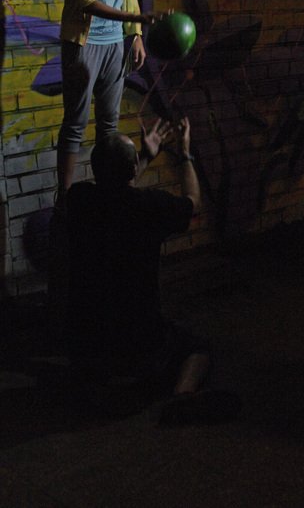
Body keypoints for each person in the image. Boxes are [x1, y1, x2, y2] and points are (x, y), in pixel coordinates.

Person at [65, 116, 240, 423]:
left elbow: (114, 192)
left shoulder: (79, 200)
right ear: (133, 168)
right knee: (197, 348)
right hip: (139, 339)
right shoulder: (151, 206)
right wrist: (184, 153)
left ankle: (99, 381)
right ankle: (182, 395)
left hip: (87, 336)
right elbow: (193, 202)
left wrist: (143, 157)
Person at [54, 0, 153, 207]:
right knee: (76, 122)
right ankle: (65, 197)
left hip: (114, 44)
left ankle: (109, 195)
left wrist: (135, 34)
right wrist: (136, 19)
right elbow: (85, 2)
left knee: (109, 125)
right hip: (84, 45)